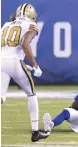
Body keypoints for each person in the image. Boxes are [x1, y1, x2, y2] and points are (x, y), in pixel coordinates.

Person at [1, 3, 49, 142]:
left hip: (1, 61)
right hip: (15, 62)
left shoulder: (6, 25)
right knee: (31, 94)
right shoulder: (31, 25)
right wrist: (35, 65)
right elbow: (25, 44)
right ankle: (35, 132)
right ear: (31, 14)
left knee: (1, 98)